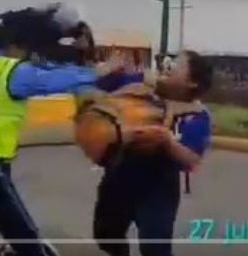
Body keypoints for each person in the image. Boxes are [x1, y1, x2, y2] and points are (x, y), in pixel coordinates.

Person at [0, 4, 131, 256]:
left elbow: (43, 69)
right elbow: (55, 79)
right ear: (19, 46)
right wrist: (103, 69)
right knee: (28, 243)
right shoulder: (15, 74)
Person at [91, 50, 214, 256]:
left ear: (192, 82)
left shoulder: (196, 116)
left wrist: (166, 141)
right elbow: (99, 84)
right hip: (118, 177)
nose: (167, 65)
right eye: (169, 61)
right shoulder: (141, 85)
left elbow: (191, 159)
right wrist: (108, 69)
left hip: (158, 189)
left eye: (177, 64)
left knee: (155, 248)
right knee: (106, 235)